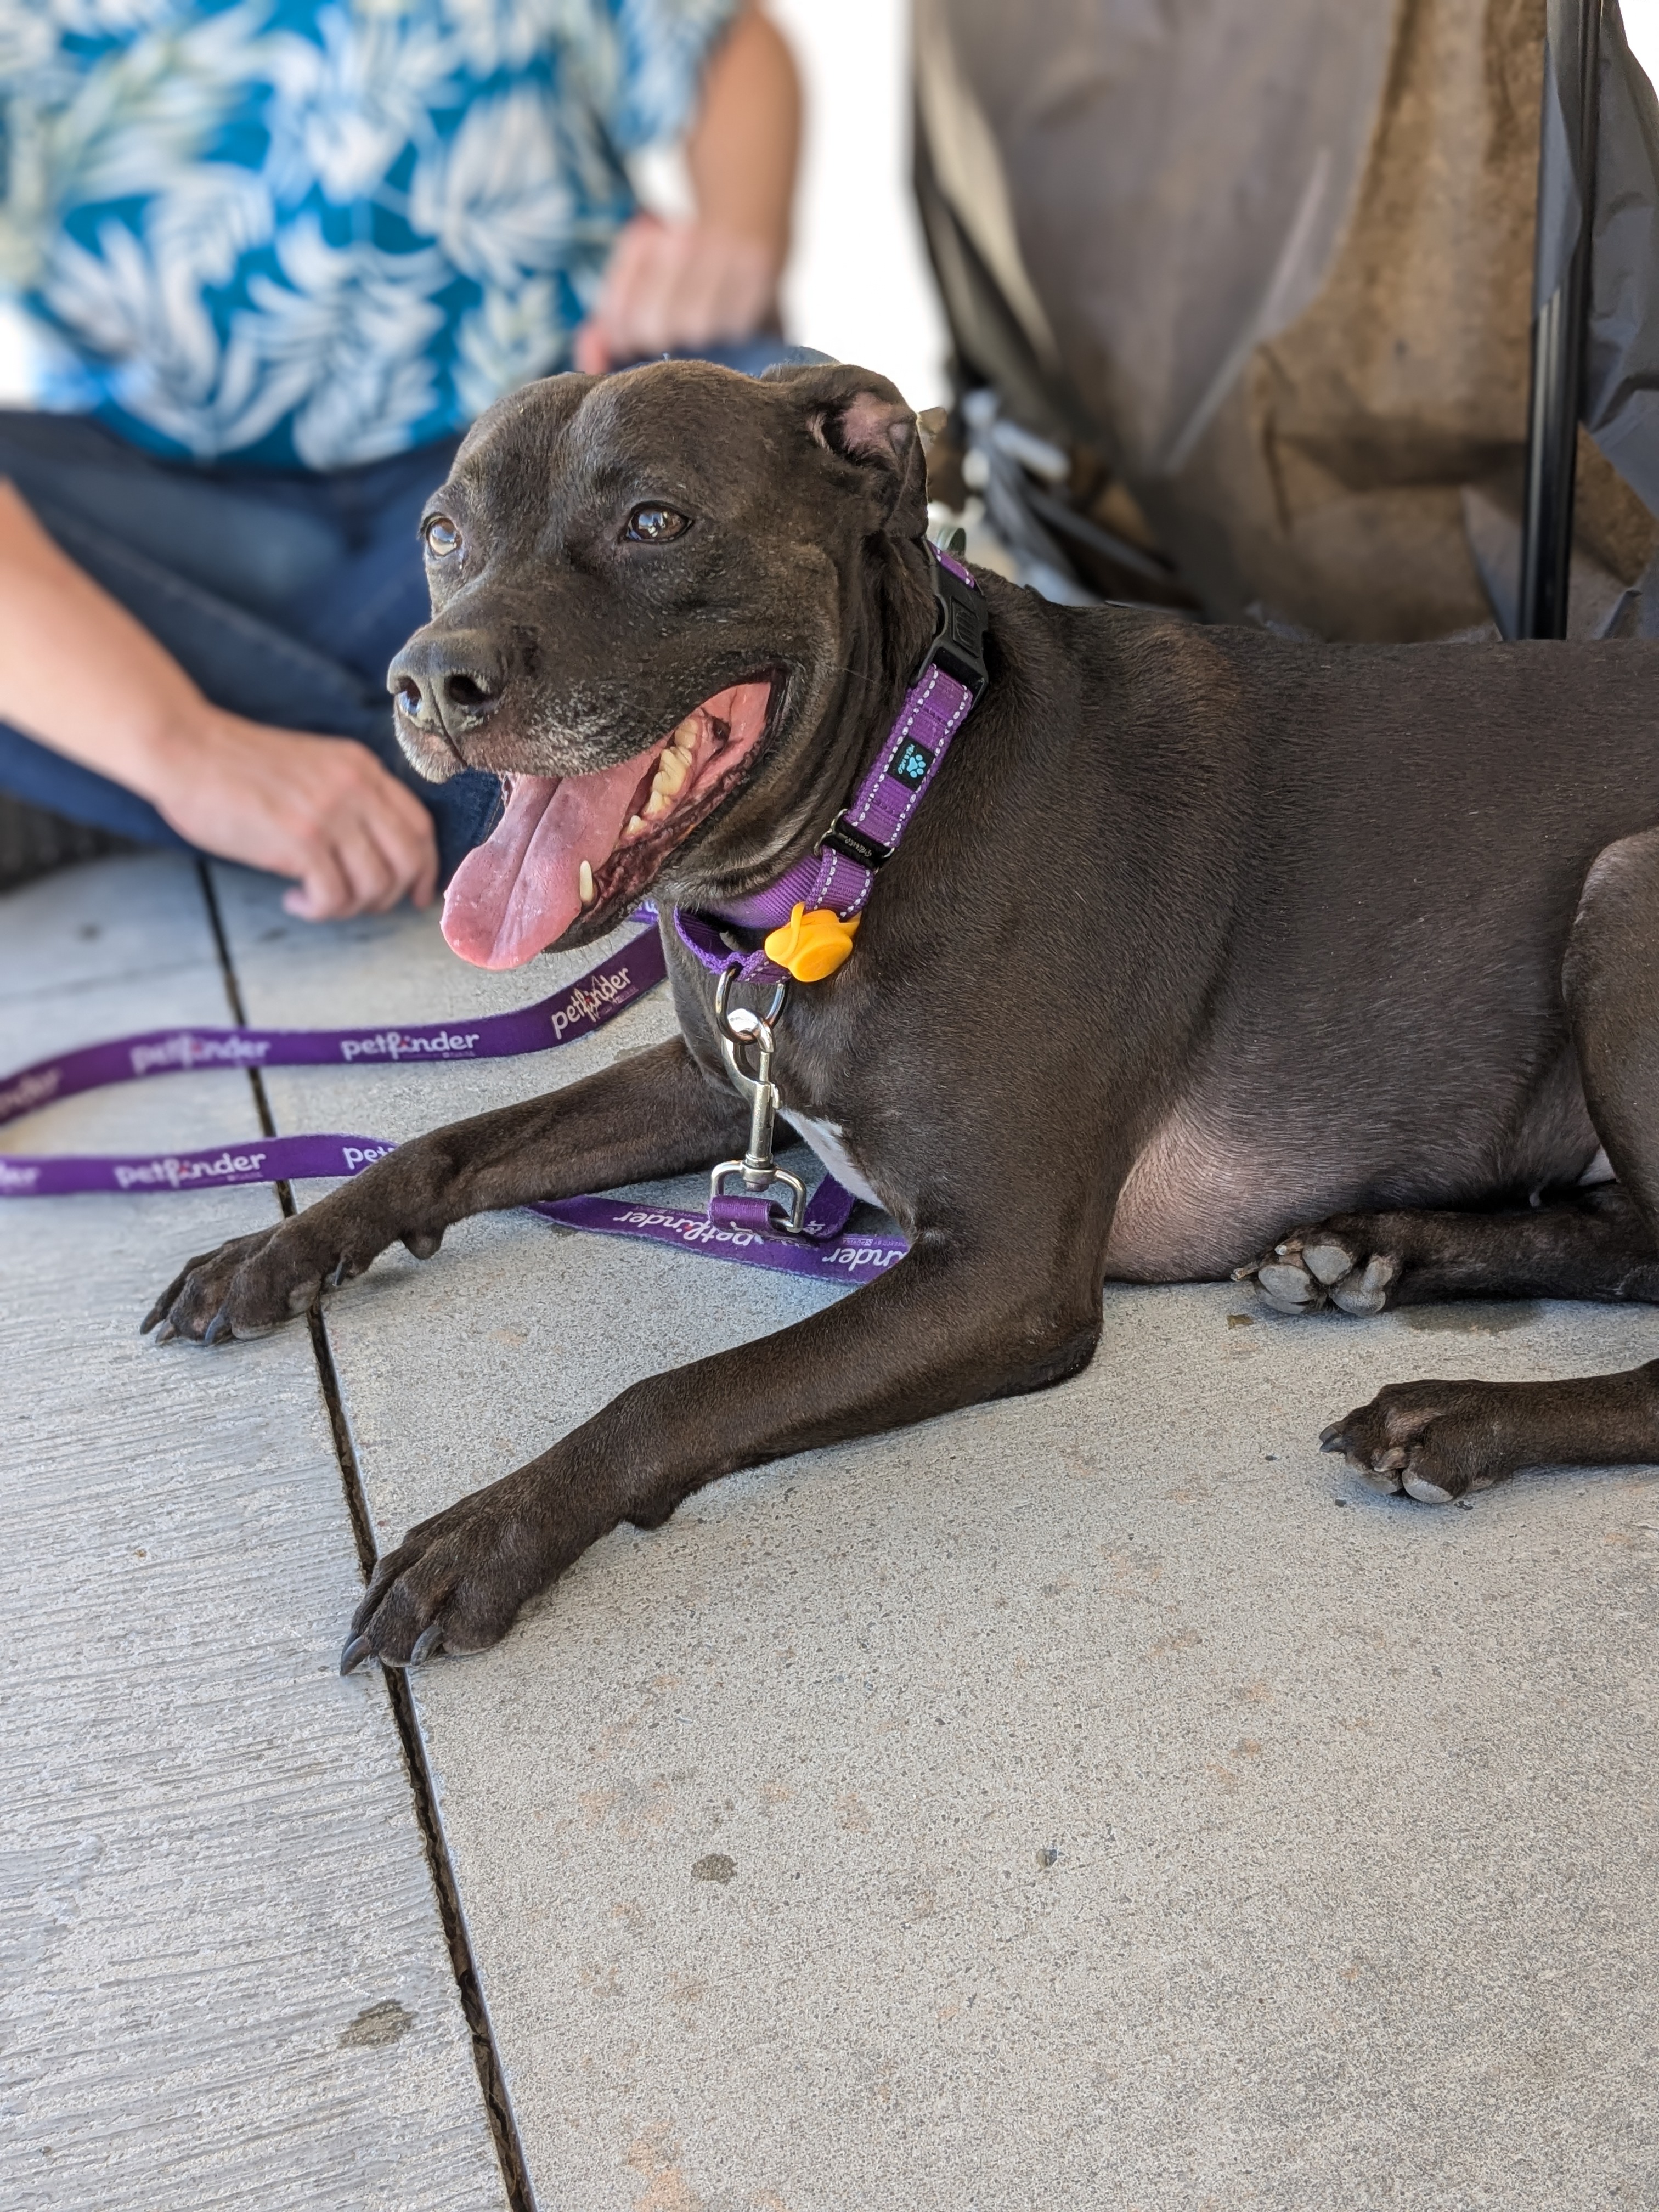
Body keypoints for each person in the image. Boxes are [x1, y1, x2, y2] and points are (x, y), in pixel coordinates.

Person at [0, 0, 800, 916]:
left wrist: (739, 239)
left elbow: (722, 42)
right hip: (172, 519)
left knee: (783, 397)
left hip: (535, 509)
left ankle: (121, 755)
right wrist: (185, 749)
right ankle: (516, 774)